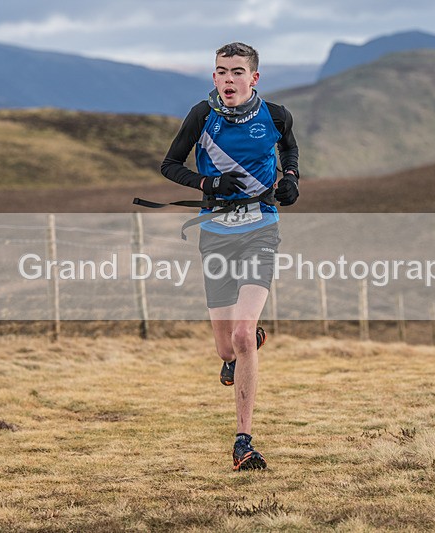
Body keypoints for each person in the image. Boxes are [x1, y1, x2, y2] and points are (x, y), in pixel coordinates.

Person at [160, 42, 299, 471]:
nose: (227, 80)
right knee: (226, 348)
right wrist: (207, 184)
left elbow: (289, 151)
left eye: (237, 72)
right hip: (216, 235)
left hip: (261, 229)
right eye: (221, 72)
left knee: (241, 332)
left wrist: (291, 179)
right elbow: (169, 165)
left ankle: (243, 442)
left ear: (253, 78)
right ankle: (239, 352)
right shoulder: (201, 117)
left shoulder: (275, 115)